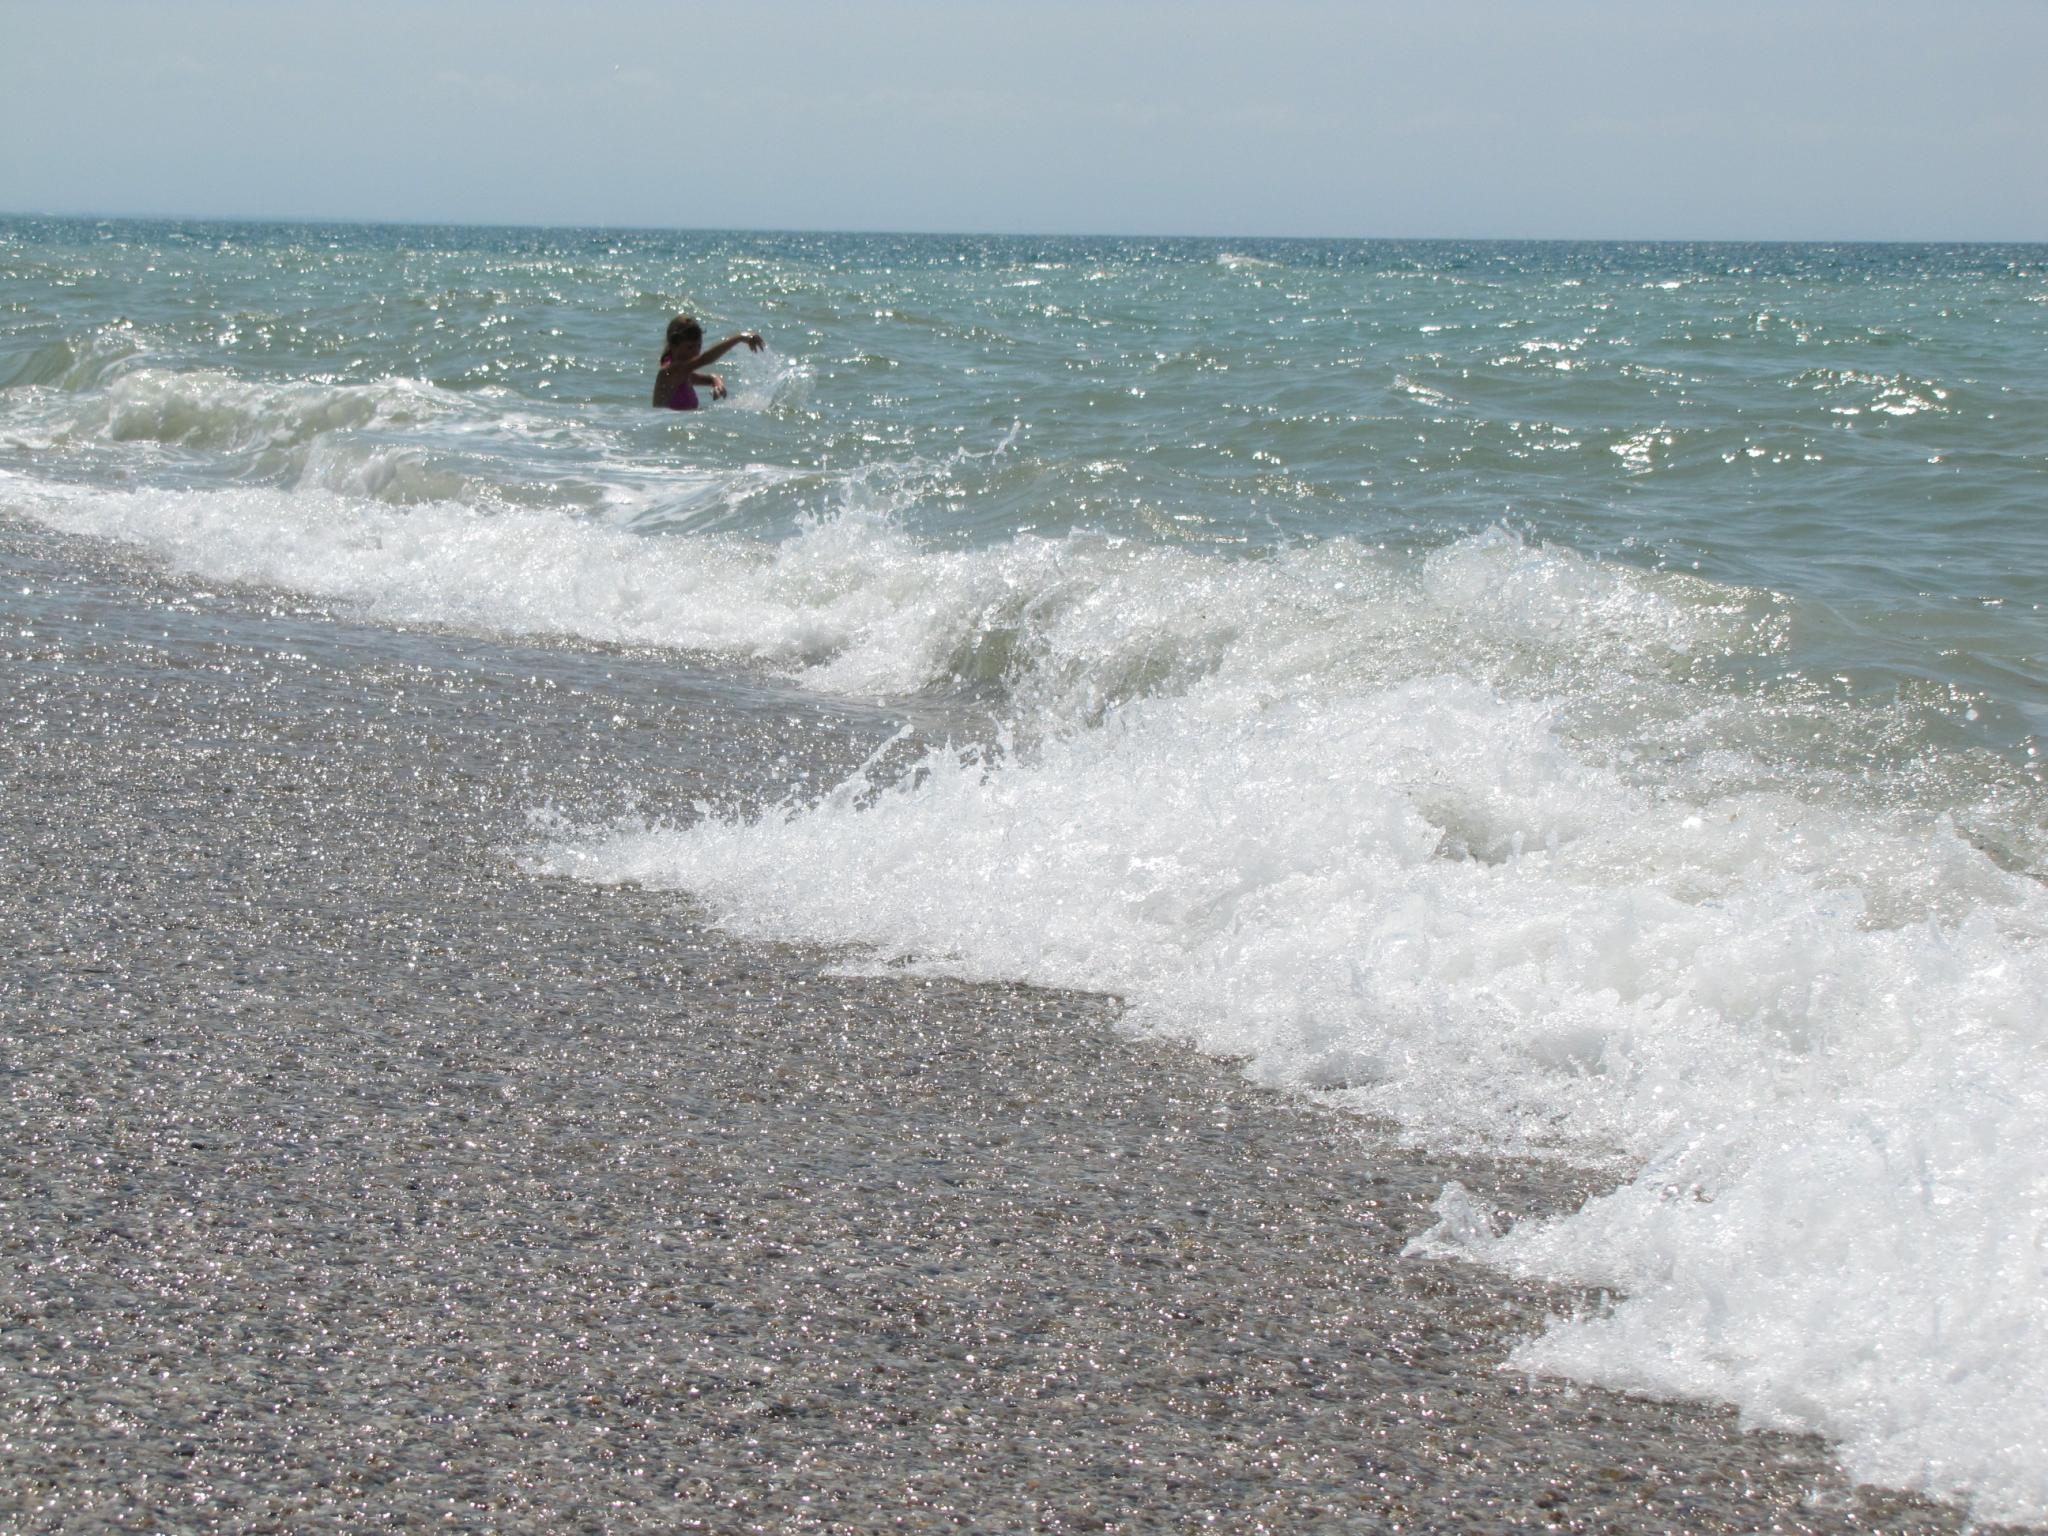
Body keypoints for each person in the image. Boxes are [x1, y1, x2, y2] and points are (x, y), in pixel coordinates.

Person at [652, 315, 765, 410]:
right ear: (673, 345)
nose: (695, 352)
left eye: (698, 346)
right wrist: (739, 338)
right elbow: (705, 359)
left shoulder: (683, 373)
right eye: (690, 347)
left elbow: (711, 378)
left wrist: (717, 384)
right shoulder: (670, 371)